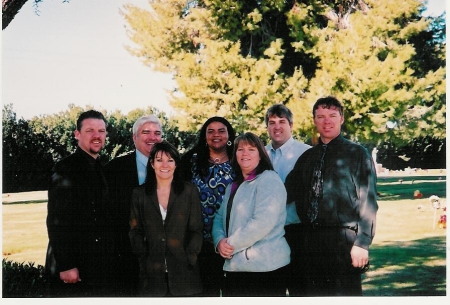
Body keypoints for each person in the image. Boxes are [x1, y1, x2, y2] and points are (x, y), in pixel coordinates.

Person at [285, 96, 378, 296]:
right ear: (314, 120)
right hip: (309, 241)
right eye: (321, 116)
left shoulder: (357, 154)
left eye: (332, 116)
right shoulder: (306, 158)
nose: (326, 121)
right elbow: (285, 194)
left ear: (341, 119)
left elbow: (368, 202)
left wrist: (362, 243)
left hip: (342, 240)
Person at [212, 132, 290, 297]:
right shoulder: (232, 186)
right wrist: (219, 242)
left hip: (265, 269)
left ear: (261, 155)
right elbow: (219, 218)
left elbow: (262, 222)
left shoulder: (269, 180)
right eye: (240, 149)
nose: (245, 153)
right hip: (236, 267)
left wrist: (230, 245)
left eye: (251, 149)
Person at [45, 110, 113, 297]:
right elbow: (57, 221)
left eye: (101, 130)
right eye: (90, 130)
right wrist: (67, 265)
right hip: (73, 269)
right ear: (77, 134)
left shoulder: (100, 167)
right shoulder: (66, 169)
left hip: (95, 267)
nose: (97, 136)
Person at [129, 141, 203, 296]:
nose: (165, 165)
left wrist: (190, 257)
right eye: (159, 160)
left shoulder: (189, 191)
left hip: (184, 275)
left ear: (176, 164)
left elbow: (196, 230)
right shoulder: (139, 194)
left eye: (170, 160)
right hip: (151, 277)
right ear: (152, 163)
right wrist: (144, 260)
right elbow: (135, 231)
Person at [103, 114, 163, 296]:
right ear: (134, 137)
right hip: (126, 256)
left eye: (157, 133)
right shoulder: (114, 169)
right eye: (146, 132)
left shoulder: (175, 166)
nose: (152, 137)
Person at [180, 116, 236, 297]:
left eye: (221, 131)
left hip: (232, 240)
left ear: (229, 135)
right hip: (200, 242)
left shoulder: (239, 160)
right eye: (210, 131)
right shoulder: (191, 161)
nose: (216, 135)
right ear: (204, 136)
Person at [264, 103, 311, 296]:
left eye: (282, 121)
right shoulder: (259, 154)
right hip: (266, 235)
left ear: (291, 125)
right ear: (266, 127)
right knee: (272, 292)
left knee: (300, 290)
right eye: (272, 122)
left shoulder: (307, 153)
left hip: (297, 232)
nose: (277, 126)